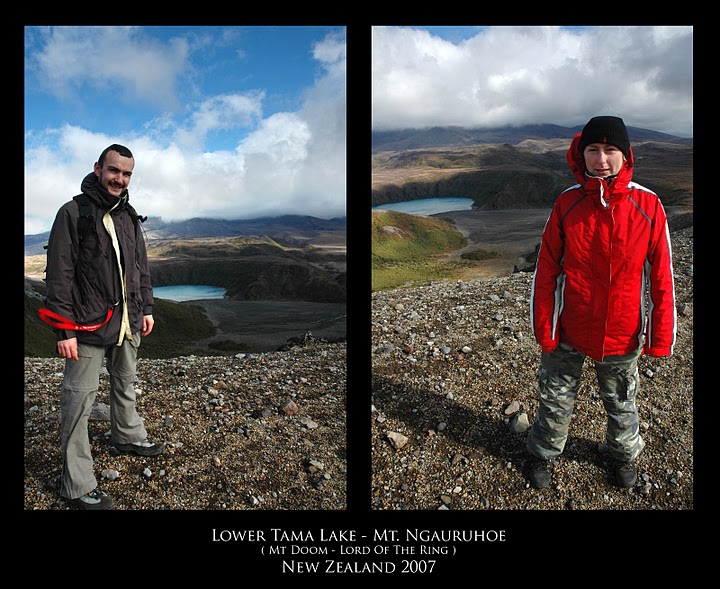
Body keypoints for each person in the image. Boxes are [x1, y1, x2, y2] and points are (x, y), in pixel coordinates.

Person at [525, 116, 676, 490]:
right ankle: (543, 453)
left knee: (622, 402)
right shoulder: (567, 203)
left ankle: (624, 457)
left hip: (622, 331)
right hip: (569, 327)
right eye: (593, 150)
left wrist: (660, 336)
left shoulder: (648, 205)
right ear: (582, 153)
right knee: (554, 399)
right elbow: (546, 270)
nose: (602, 159)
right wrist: (544, 328)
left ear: (626, 156)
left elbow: (662, 277)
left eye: (611, 150)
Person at [43, 144, 165, 510]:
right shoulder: (73, 212)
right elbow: (59, 275)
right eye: (114, 171)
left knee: (125, 381)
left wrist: (146, 307)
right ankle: (77, 484)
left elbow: (140, 267)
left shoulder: (128, 215)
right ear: (98, 168)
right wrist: (64, 329)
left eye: (127, 174)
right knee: (78, 401)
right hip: (85, 325)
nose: (120, 179)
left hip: (127, 321)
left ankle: (126, 435)